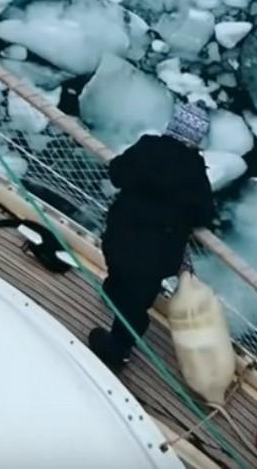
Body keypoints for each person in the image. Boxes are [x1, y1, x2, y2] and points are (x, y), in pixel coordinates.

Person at [88, 102, 216, 369]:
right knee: (138, 300)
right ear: (196, 137)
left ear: (173, 124)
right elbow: (204, 213)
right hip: (157, 253)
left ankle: (114, 296)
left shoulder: (148, 147)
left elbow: (117, 173)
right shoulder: (194, 170)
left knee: (118, 271)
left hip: (121, 234)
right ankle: (118, 349)